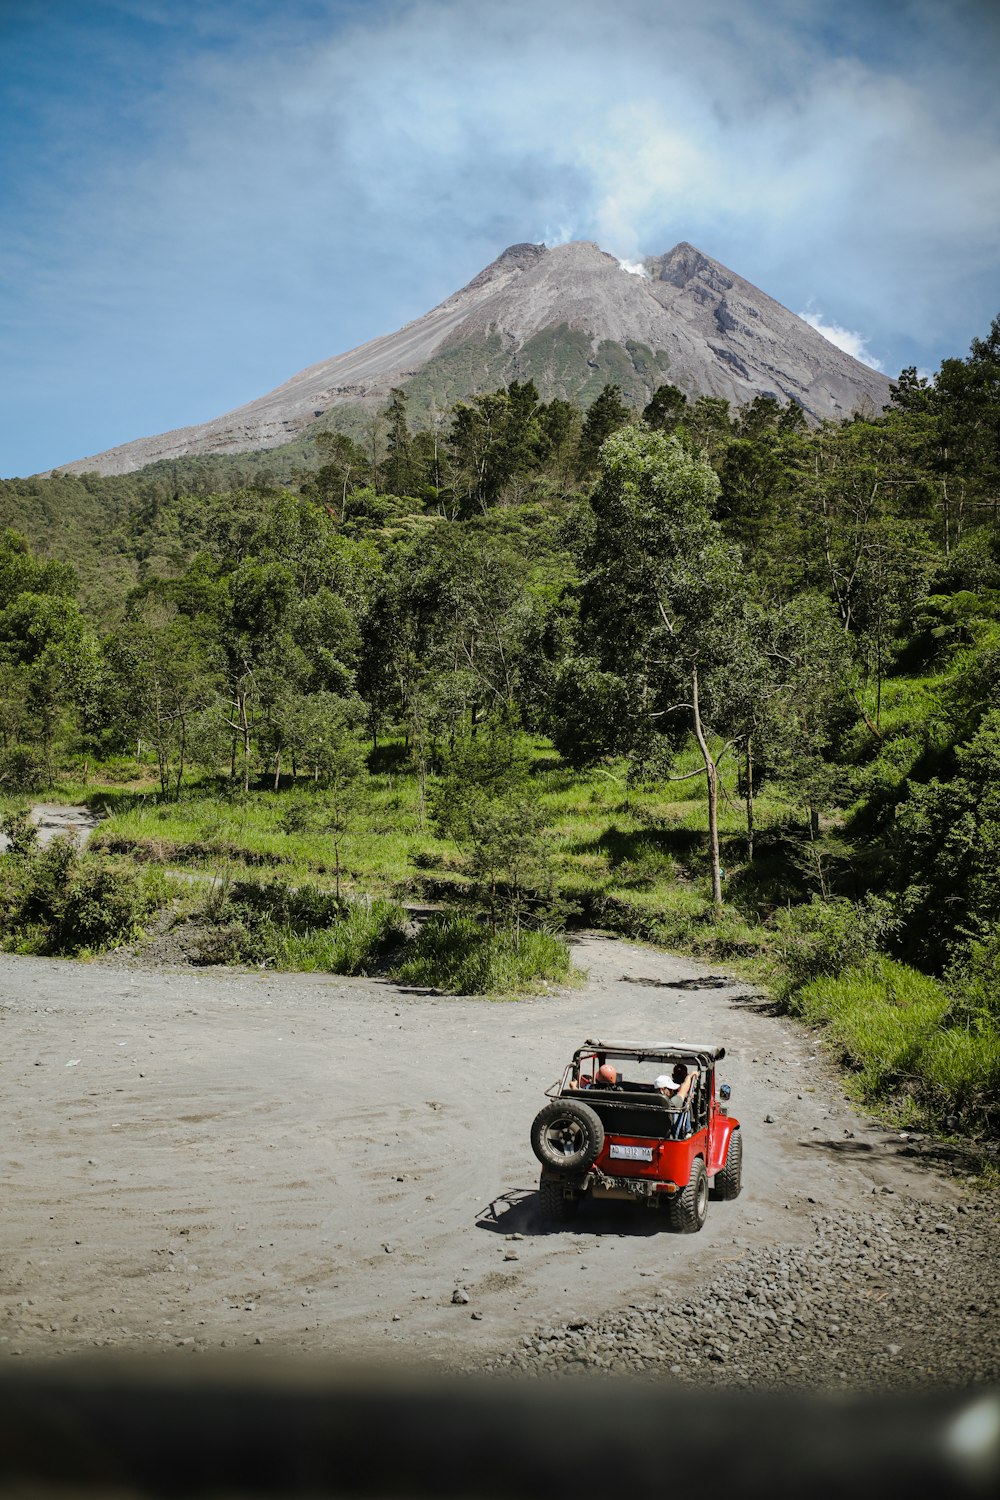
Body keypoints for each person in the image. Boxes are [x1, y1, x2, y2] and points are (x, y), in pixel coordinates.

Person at [654, 1063, 696, 1135]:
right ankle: (688, 1132)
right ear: (662, 1090)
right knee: (685, 1102)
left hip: (656, 1133)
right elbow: (683, 1090)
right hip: (669, 1136)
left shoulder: (651, 1101)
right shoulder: (671, 1103)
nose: (672, 1091)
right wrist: (690, 1076)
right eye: (670, 1089)